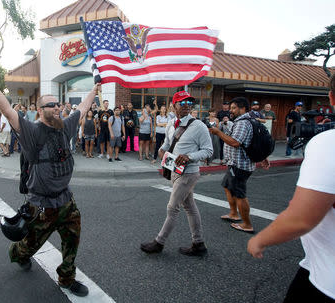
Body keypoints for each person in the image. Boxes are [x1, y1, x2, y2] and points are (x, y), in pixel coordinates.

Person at [0, 52, 100, 297]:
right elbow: (7, 110)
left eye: (58, 104)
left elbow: (82, 107)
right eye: (51, 105)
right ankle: (17, 253)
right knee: (28, 247)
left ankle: (67, 278)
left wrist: (95, 89)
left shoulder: (65, 125)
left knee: (72, 239)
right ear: (39, 110)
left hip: (66, 201)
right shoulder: (31, 132)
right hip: (42, 206)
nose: (57, 107)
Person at [247, 74, 335, 302]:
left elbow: (301, 218)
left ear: (331, 99)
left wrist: (260, 240)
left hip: (328, 282)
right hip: (315, 265)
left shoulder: (328, 143)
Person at [140, 91, 213, 256]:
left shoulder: (198, 126)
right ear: (174, 105)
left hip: (189, 173)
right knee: (190, 207)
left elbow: (209, 151)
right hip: (174, 171)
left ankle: (159, 242)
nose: (187, 106)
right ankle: (199, 243)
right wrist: (161, 151)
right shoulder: (171, 123)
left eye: (189, 103)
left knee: (172, 208)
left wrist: (189, 157)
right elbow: (166, 144)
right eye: (183, 103)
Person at [209, 97, 269, 233]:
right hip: (234, 163)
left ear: (242, 109)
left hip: (240, 164)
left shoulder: (243, 123)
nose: (231, 110)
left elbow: (236, 142)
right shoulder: (244, 121)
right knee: (227, 186)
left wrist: (218, 132)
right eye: (231, 108)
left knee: (239, 193)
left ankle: (247, 224)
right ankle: (233, 214)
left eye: (234, 108)